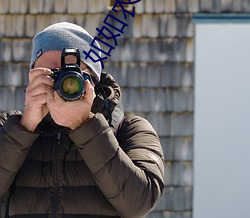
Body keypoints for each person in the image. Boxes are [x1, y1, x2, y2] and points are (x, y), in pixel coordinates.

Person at [0, 22, 164, 218]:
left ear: (93, 79)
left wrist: (85, 126)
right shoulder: (9, 128)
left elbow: (139, 203)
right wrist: (24, 128)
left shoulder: (130, 130)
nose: (59, 84)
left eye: (69, 75)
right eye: (49, 75)